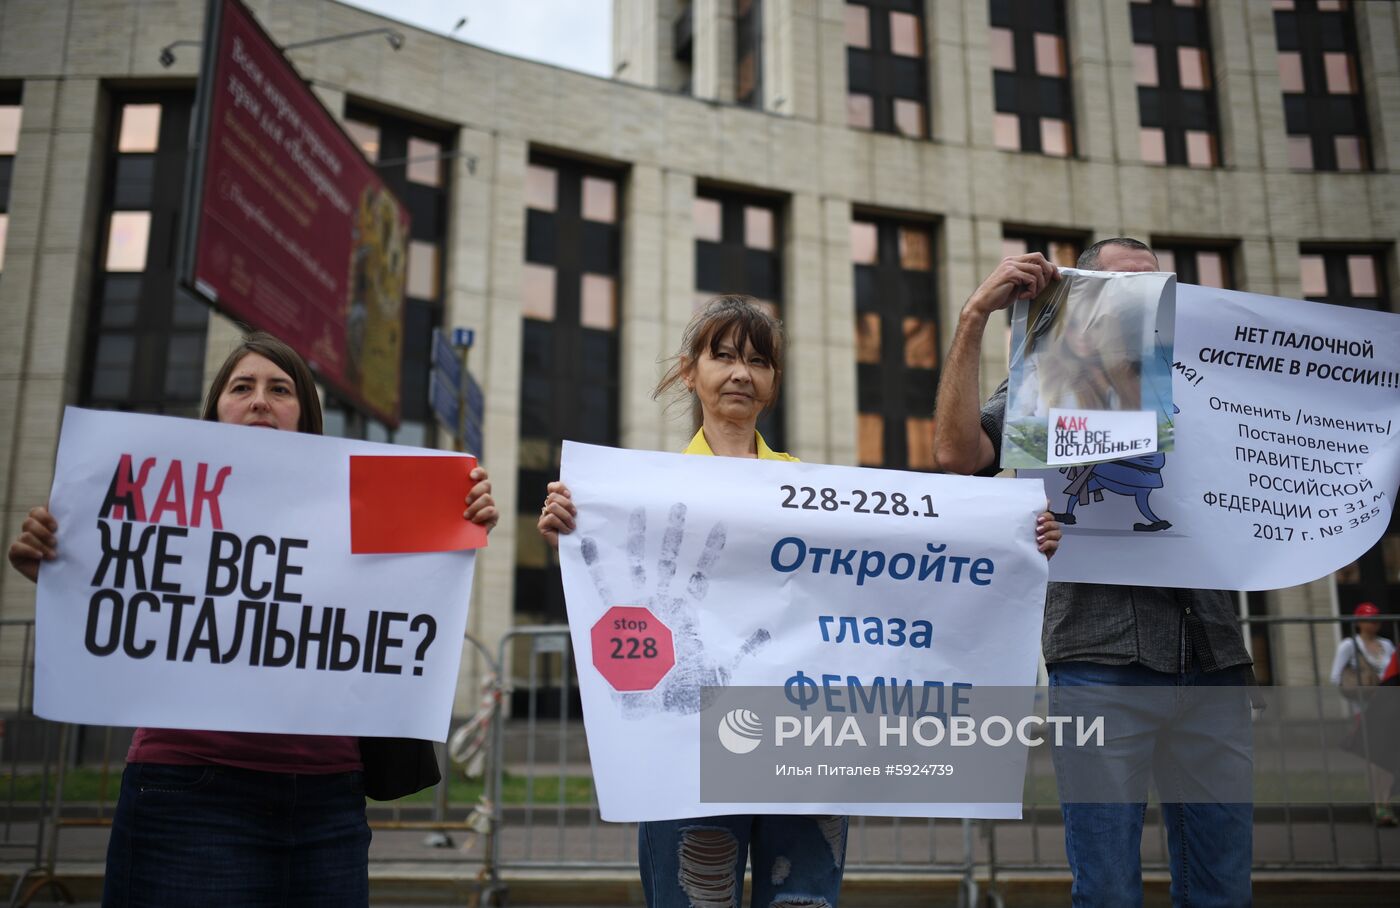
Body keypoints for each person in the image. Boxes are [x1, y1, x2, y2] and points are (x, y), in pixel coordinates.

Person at [538, 295, 1062, 907]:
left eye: (758, 361)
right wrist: (573, 527)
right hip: (690, 749)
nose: (741, 372)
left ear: (773, 383)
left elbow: (913, 560)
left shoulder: (814, 490)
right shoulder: (637, 494)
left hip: (804, 745)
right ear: (690, 371)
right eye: (724, 356)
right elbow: (614, 591)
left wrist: (1016, 541)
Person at [7, 331, 500, 906]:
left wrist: (461, 514)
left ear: (307, 416)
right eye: (242, 387)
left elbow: (406, 595)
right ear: (215, 409)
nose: (260, 400)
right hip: (189, 792)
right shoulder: (164, 499)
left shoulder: (362, 499)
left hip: (328, 803)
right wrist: (63, 573)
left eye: (280, 388)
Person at [933, 239, 1254, 908]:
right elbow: (957, 455)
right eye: (1117, 287)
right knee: (1106, 888)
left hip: (1216, 656)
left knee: (1223, 887)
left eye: (1153, 287)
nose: (1138, 301)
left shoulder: (1214, 377)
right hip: (1102, 660)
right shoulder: (1049, 375)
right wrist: (975, 315)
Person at [1329, 601, 1396, 826]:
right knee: (1374, 756)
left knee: (1387, 754)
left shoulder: (1387, 645)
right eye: (1368, 618)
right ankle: (1378, 804)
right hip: (1364, 708)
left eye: (1375, 618)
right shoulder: (1349, 645)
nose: (1373, 623)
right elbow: (1335, 677)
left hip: (1388, 706)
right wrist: (1357, 692)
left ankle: (1384, 802)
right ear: (1358, 622)